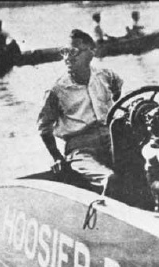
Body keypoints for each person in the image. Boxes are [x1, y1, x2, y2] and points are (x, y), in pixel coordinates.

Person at [37, 29, 123, 196]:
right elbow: (44, 127)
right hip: (80, 148)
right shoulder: (57, 90)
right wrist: (57, 157)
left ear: (92, 52)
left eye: (74, 51)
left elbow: (117, 89)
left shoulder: (105, 75)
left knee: (142, 165)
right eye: (65, 52)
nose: (68, 57)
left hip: (110, 137)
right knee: (110, 179)